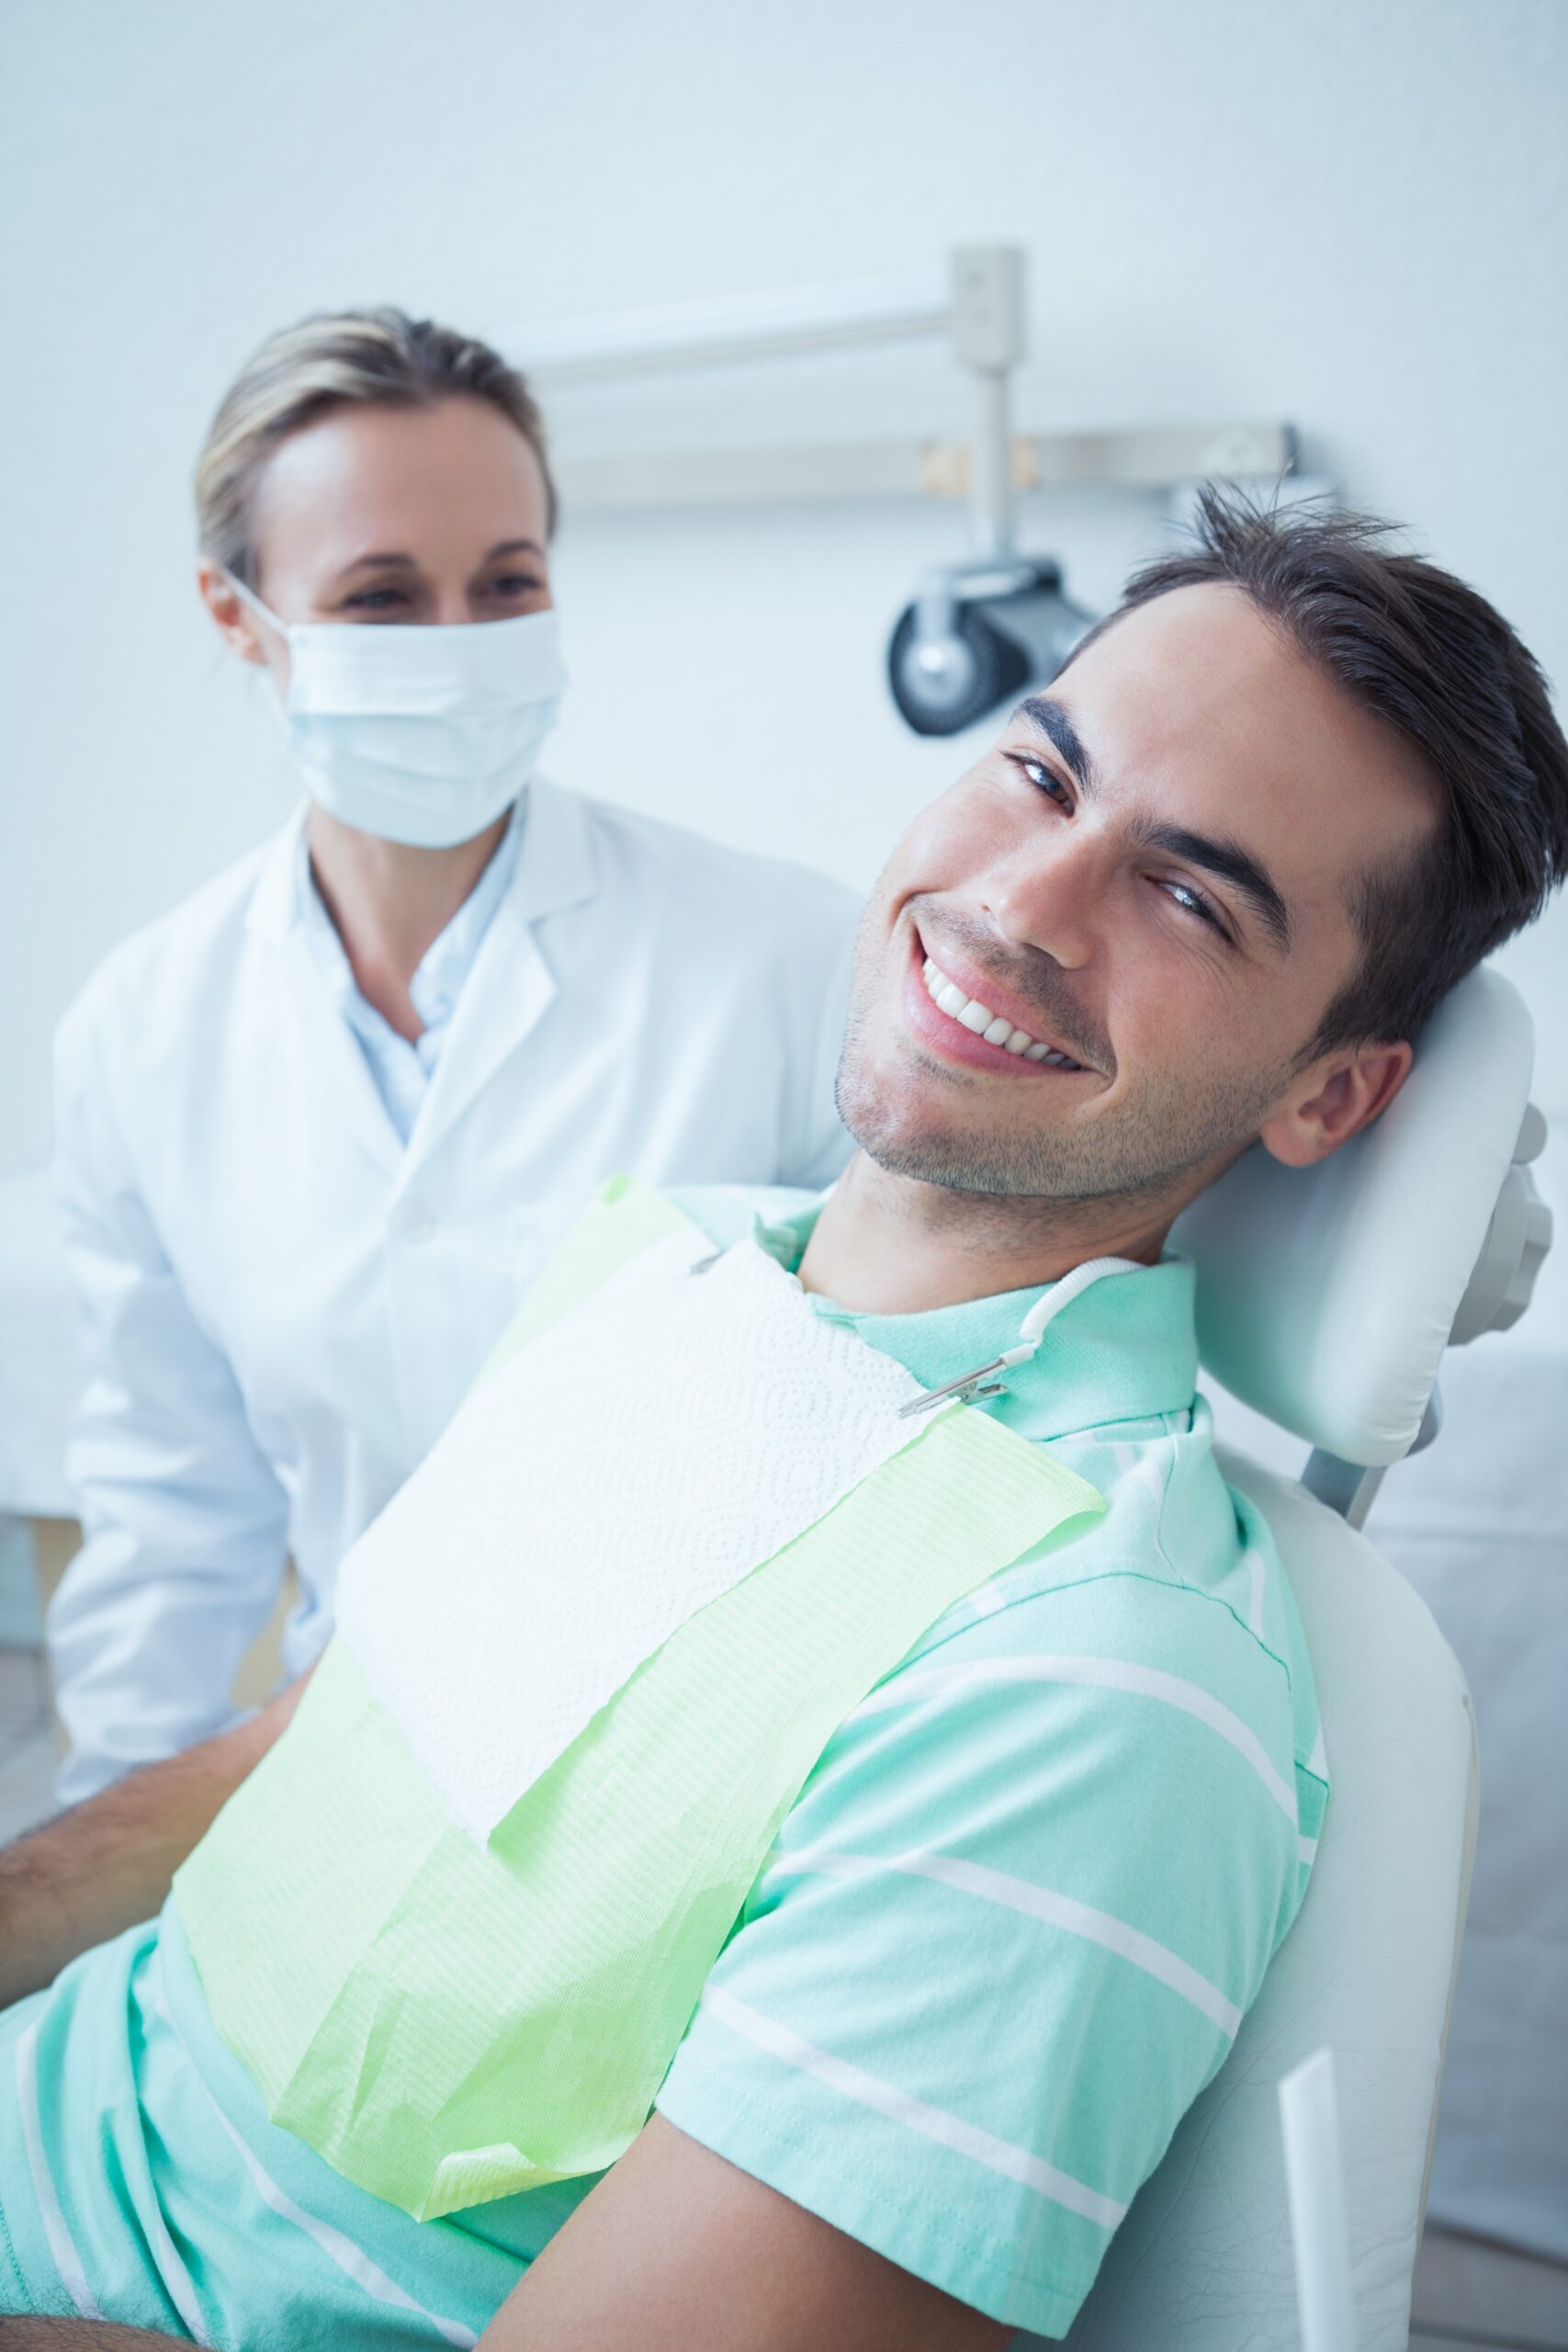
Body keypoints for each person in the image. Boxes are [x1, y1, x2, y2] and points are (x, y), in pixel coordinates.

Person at [4, 498, 1564, 2350]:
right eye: (1038, 776)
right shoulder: (668, 1278)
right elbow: (311, 1747)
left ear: (1326, 1095)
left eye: (1185, 893)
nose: (1018, 902)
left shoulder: (1095, 1677)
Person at [46, 309, 858, 1806]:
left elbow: (882, 1450)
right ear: (240, 618)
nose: (459, 647)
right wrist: (105, 1862)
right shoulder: (143, 1034)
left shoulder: (789, 964)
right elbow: (176, 1514)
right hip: (332, 1786)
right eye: (379, 598)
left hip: (701, 1779)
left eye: (506, 585)